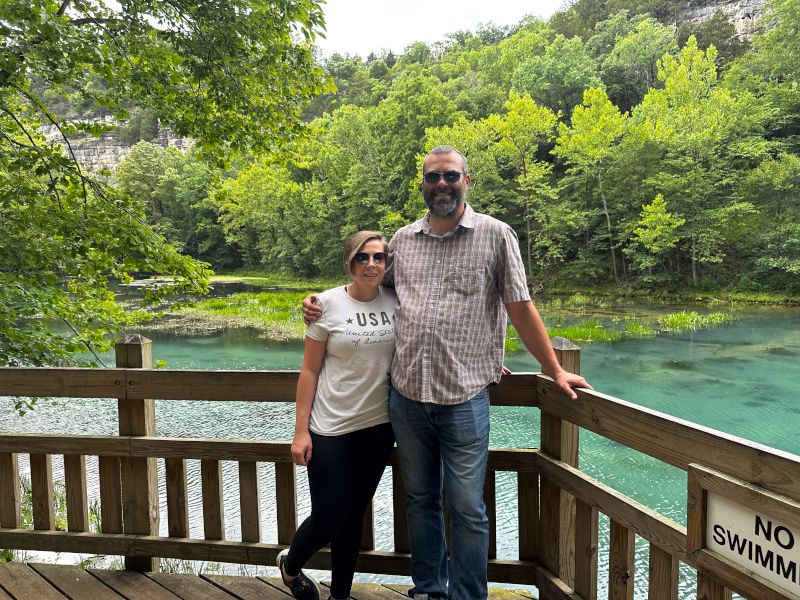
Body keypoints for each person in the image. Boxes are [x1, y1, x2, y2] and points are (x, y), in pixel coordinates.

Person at [303, 146, 591, 600]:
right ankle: (428, 589)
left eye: (451, 176)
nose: (442, 184)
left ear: (466, 181)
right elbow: (369, 288)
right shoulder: (402, 241)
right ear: (423, 184)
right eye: (433, 177)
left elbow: (519, 306)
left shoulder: (496, 235)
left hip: (464, 398)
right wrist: (318, 304)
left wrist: (553, 369)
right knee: (420, 500)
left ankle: (468, 595)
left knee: (467, 507)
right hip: (407, 398)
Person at [278, 231, 397, 600]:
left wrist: (487, 360)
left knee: (354, 514)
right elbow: (309, 370)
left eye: (378, 257)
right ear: (350, 261)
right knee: (329, 516)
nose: (371, 264)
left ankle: (340, 595)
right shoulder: (326, 305)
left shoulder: (397, 299)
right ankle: (290, 566)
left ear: (387, 262)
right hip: (330, 428)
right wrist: (301, 431)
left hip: (378, 427)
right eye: (362, 257)